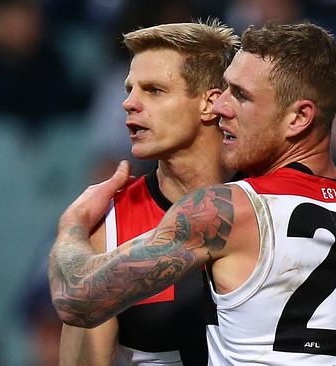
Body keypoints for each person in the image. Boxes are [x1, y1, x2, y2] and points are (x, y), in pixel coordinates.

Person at [49, 22, 336, 365]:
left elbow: (76, 296)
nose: (221, 106)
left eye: (240, 95)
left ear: (299, 117)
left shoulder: (226, 211)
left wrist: (71, 227)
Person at [57, 21, 239, 365]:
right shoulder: (108, 224)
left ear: (209, 103)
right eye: (129, 89)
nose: (128, 103)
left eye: (153, 90)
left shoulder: (271, 204)